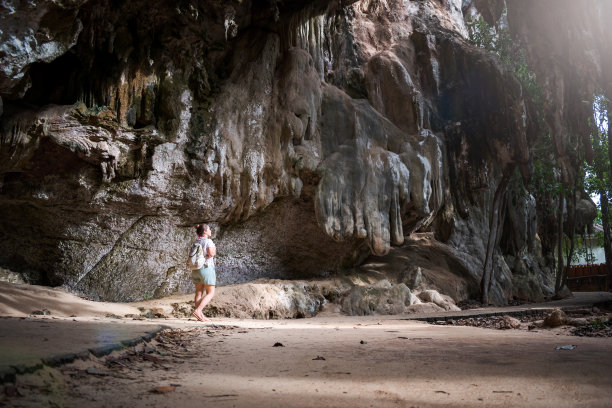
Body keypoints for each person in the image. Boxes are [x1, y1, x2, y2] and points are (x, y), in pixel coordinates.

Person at [191, 224, 216, 322]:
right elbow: (211, 253)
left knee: (199, 292)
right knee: (211, 293)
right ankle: (198, 310)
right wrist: (214, 249)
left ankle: (200, 315)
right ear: (205, 231)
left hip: (196, 269)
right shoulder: (208, 241)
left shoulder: (197, 241)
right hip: (206, 268)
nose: (210, 230)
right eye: (209, 229)